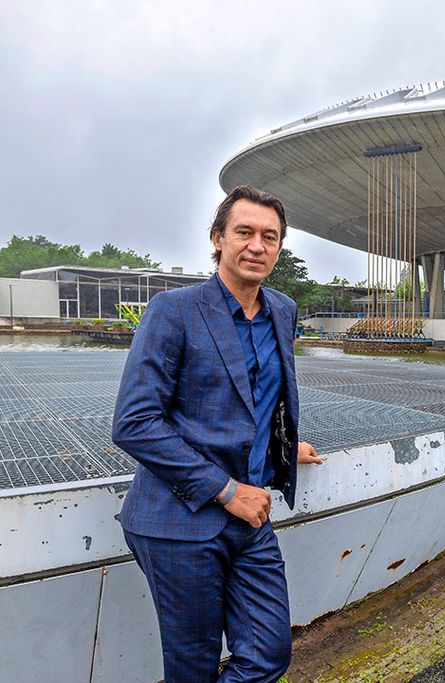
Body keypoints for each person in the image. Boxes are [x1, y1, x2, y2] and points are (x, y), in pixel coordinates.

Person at [112, 185, 322, 682]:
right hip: (178, 521)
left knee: (269, 655)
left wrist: (286, 449)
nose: (257, 245)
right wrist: (226, 491)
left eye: (269, 236)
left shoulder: (282, 311)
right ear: (218, 239)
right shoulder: (175, 310)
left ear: (279, 247)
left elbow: (254, 398)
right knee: (193, 666)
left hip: (250, 518)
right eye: (244, 232)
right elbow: (134, 423)